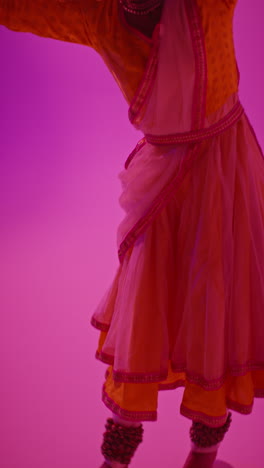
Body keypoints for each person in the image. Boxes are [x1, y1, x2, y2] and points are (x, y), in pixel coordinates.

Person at [1, 1, 264, 467]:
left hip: (228, 171)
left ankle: (203, 457)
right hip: (165, 183)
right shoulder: (98, 15)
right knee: (145, 309)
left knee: (219, 311)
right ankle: (116, 459)